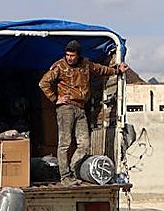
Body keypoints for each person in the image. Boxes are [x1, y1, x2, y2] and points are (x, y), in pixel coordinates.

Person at [38, 40, 128, 185]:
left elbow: (101, 70)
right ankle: (65, 176)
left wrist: (117, 70)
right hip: (66, 108)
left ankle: (72, 171)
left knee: (84, 144)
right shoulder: (59, 66)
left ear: (78, 55)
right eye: (67, 55)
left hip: (80, 108)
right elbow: (43, 83)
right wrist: (56, 99)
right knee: (65, 144)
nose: (69, 58)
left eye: (72, 56)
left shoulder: (86, 64)